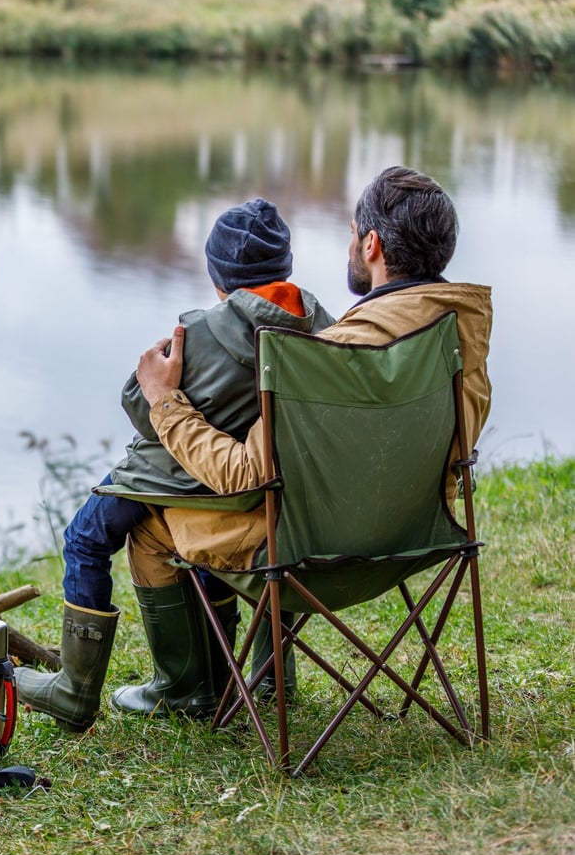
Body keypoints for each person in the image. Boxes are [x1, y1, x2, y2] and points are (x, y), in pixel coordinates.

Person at [125, 166, 491, 701]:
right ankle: (269, 676)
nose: (349, 246)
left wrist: (165, 402)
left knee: (153, 525)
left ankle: (183, 690)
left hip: (309, 559)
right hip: (420, 538)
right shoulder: (461, 335)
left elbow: (244, 474)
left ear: (371, 243)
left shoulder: (338, 353)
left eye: (349, 233)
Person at [16, 198, 334, 732]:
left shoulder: (203, 333)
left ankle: (79, 689)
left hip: (196, 473)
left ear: (217, 276)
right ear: (285, 267)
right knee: (185, 531)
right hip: (275, 488)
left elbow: (140, 407)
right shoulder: (322, 327)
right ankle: (262, 676)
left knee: (86, 538)